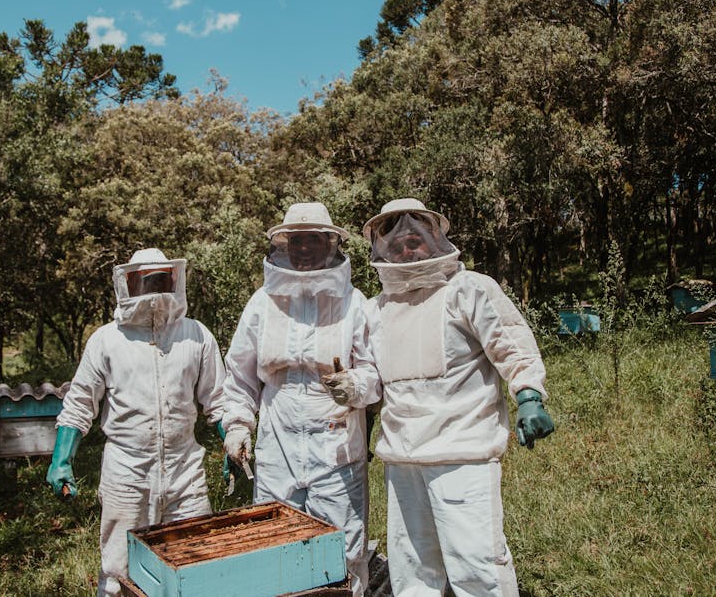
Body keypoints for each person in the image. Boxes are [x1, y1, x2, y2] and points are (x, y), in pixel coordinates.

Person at [345, 198, 554, 597]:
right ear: (382, 251)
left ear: (434, 240)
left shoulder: (469, 289)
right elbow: (374, 377)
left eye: (415, 241)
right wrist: (352, 386)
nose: (407, 251)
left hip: (463, 452)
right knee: (411, 568)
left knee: (477, 564)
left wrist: (528, 394)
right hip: (403, 458)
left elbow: (511, 345)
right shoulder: (377, 309)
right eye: (398, 245)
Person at [220, 202, 379, 597]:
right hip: (277, 443)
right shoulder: (262, 303)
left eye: (312, 239)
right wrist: (238, 424)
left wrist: (355, 386)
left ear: (330, 244)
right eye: (296, 240)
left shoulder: (354, 302)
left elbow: (376, 373)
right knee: (275, 541)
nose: (303, 248)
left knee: (343, 546)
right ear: (283, 246)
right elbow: (239, 375)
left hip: (337, 442)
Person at [46, 247, 226, 597]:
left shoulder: (196, 334)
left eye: (160, 280)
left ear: (174, 281)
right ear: (129, 284)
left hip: (185, 469)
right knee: (119, 572)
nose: (155, 290)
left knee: (197, 562)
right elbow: (81, 402)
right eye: (146, 281)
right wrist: (61, 459)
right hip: (125, 471)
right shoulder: (107, 340)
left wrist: (232, 441)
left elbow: (218, 399)